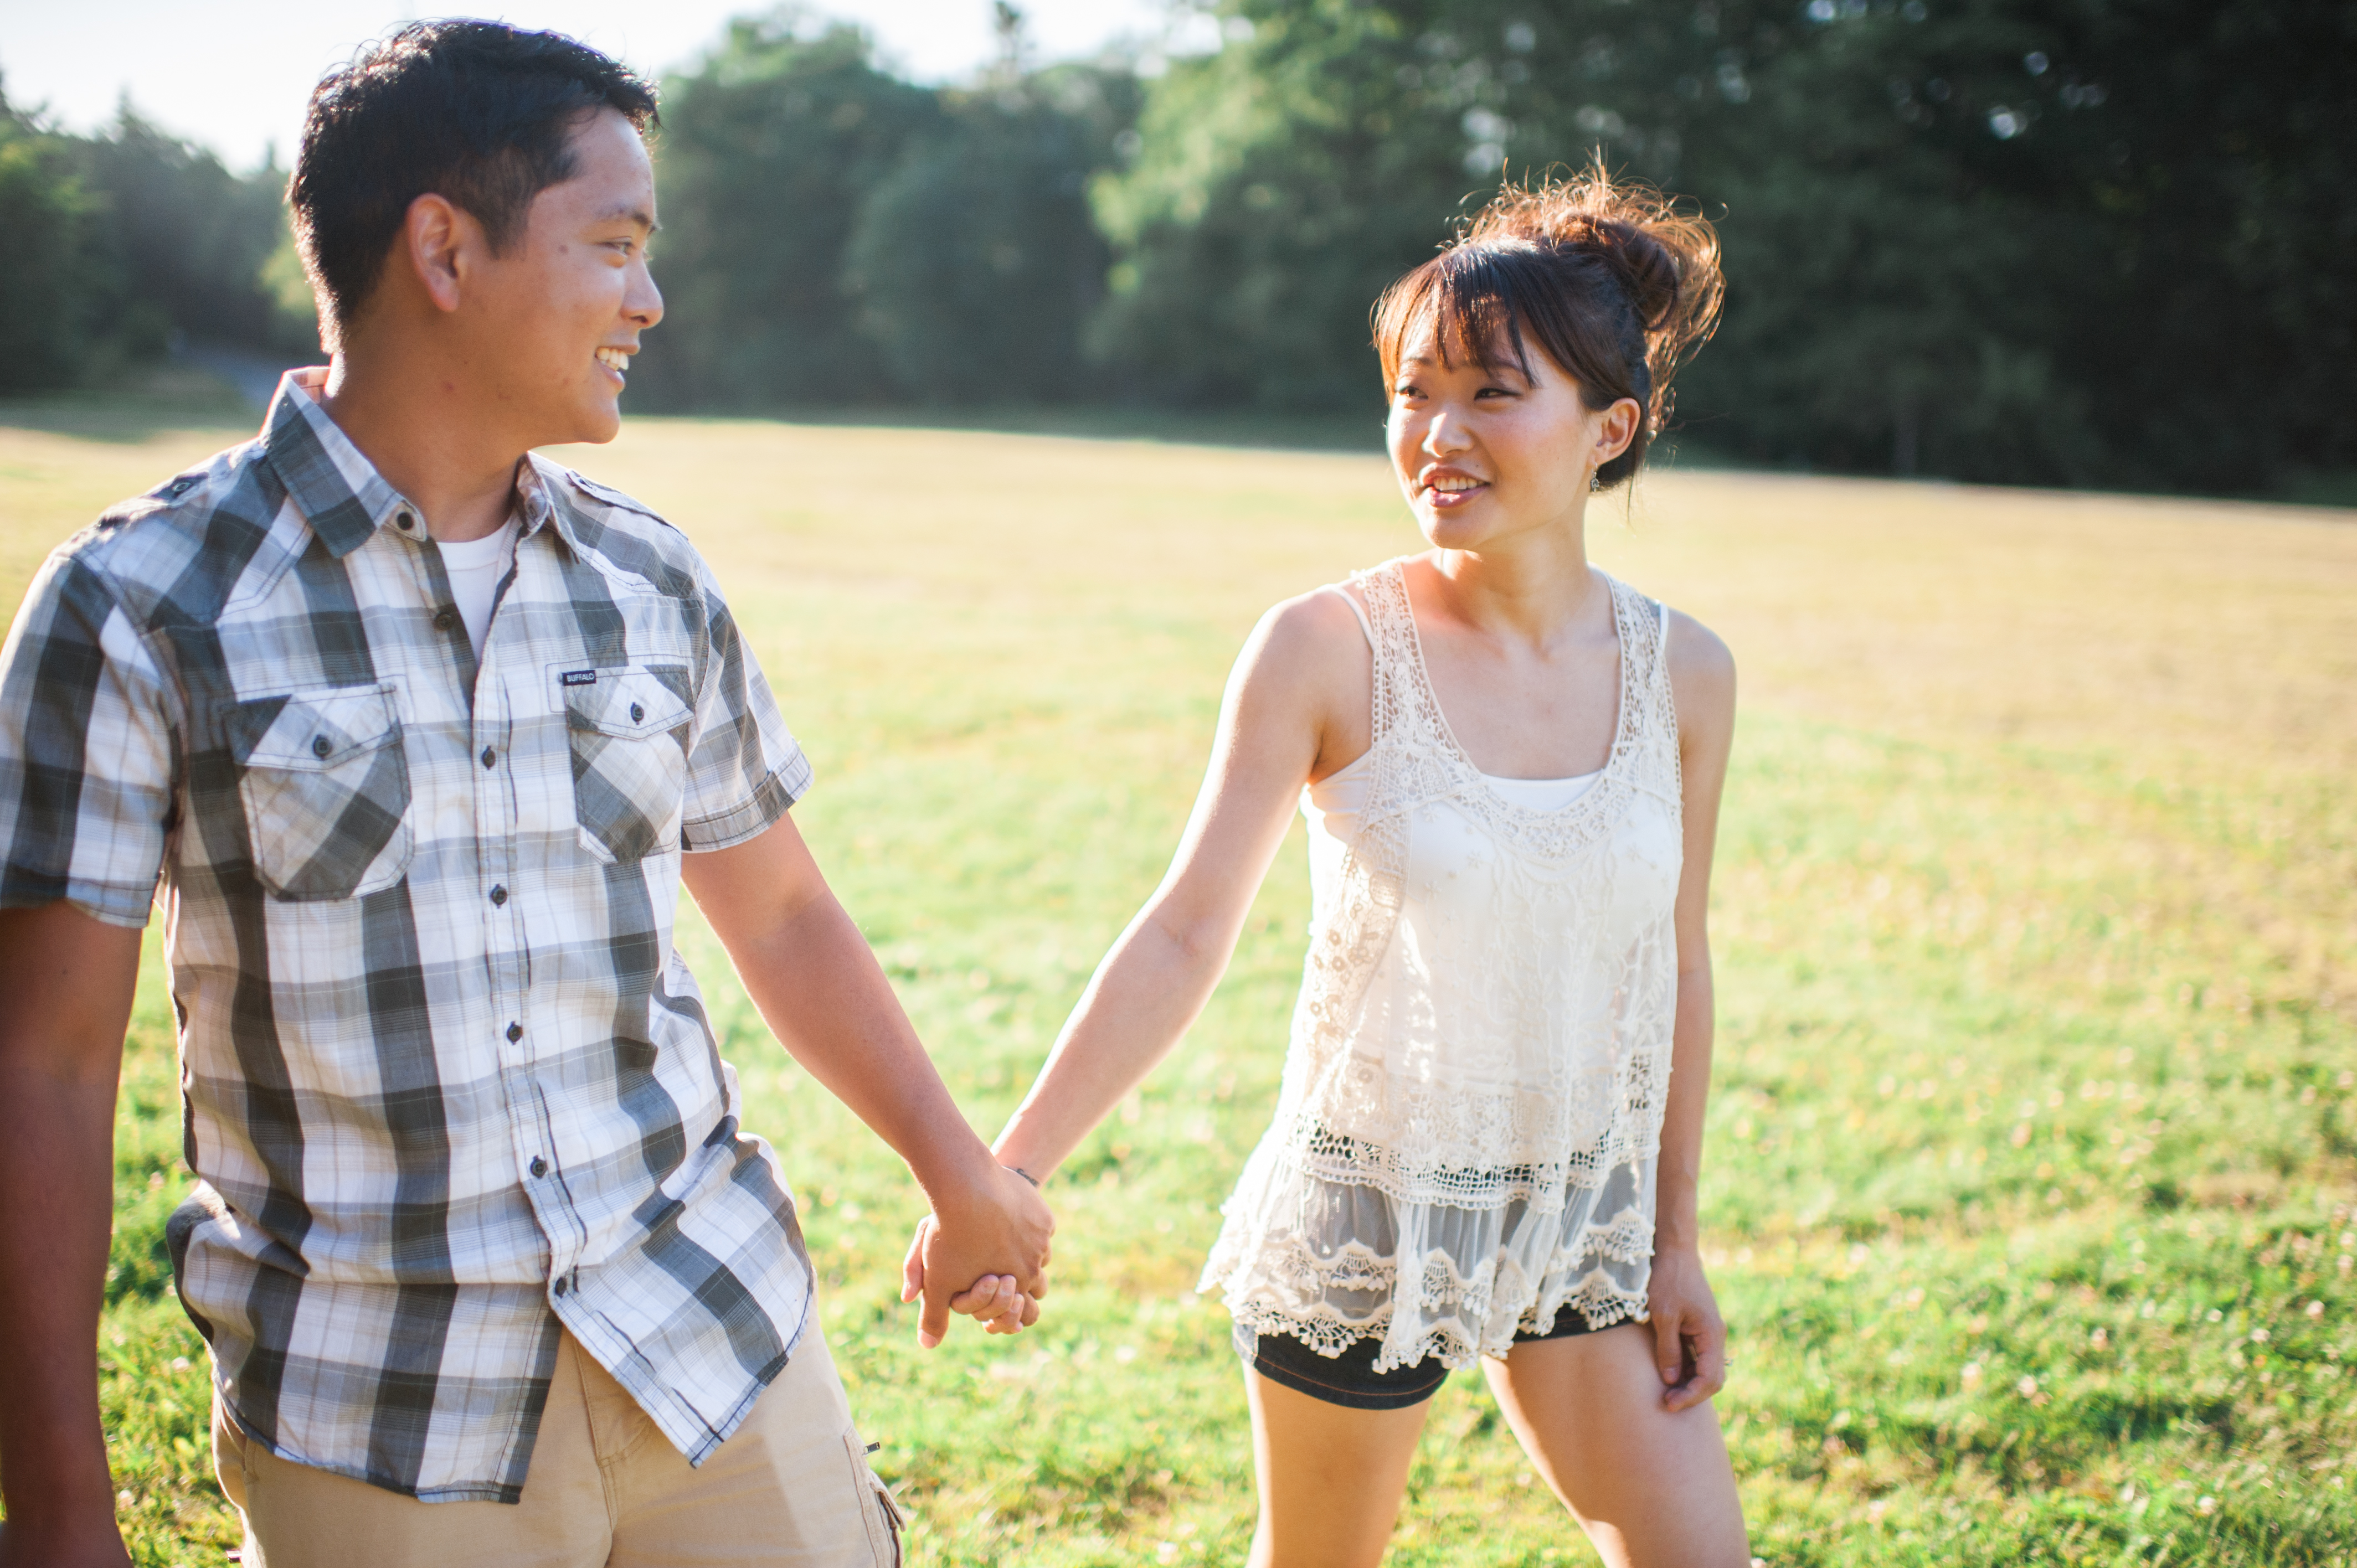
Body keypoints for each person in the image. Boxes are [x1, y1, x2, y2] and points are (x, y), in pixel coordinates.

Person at [0, 23, 1041, 1568]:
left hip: (713, 1339)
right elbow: (48, 1070)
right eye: (612, 245)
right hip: (381, 1418)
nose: (650, 297)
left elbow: (787, 911)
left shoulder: (648, 575)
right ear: (444, 249)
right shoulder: (138, 603)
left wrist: (956, 1171)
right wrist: (62, 1513)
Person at [912, 167, 1751, 1566]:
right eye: (1412, 391)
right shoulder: (1323, 647)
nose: (1437, 434)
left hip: (1579, 1217)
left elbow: (1675, 959)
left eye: (1492, 393)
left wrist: (1671, 1238)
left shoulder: (1688, 675)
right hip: (1367, 1211)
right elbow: (1186, 930)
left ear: (1612, 428)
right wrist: (1010, 1176)